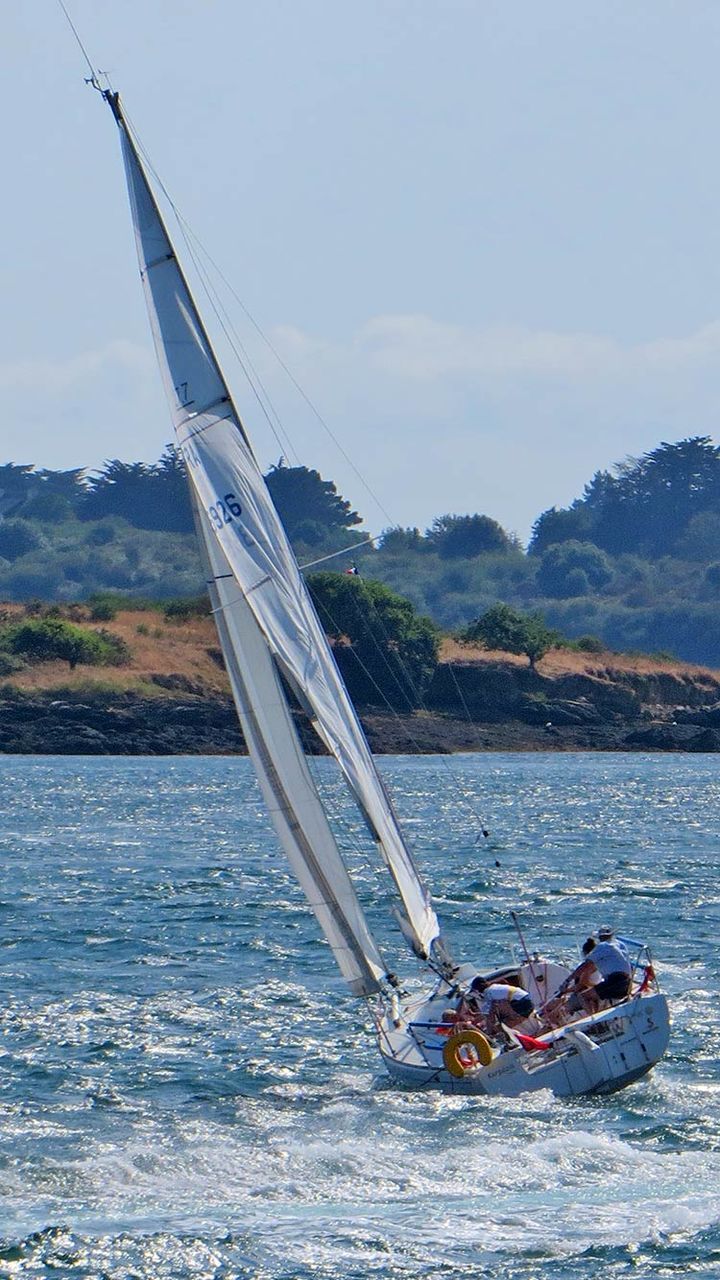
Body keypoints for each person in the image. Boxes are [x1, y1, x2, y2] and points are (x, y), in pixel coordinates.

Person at [564, 927, 631, 1014]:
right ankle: (596, 1015)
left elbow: (585, 965)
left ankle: (594, 1020)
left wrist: (567, 981)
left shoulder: (602, 946)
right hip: (628, 981)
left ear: (600, 938)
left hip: (615, 981)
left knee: (583, 996)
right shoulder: (621, 945)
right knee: (594, 994)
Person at [467, 976, 535, 1035]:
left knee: (501, 1027)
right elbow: (487, 1012)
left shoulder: (488, 993)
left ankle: (510, 1043)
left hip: (522, 1004)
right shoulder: (494, 987)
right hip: (528, 1000)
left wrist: (488, 1032)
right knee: (499, 1014)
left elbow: (489, 1015)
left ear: (478, 989)